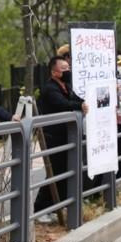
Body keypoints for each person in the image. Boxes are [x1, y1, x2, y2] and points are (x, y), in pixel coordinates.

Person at [36, 56, 87, 214]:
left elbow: (77, 99)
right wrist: (80, 105)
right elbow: (62, 104)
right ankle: (41, 210)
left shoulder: (67, 86)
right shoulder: (50, 89)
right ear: (54, 72)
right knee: (55, 172)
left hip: (67, 136)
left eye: (68, 68)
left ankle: (61, 205)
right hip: (54, 137)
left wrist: (85, 101)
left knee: (66, 170)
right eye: (64, 69)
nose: (67, 71)